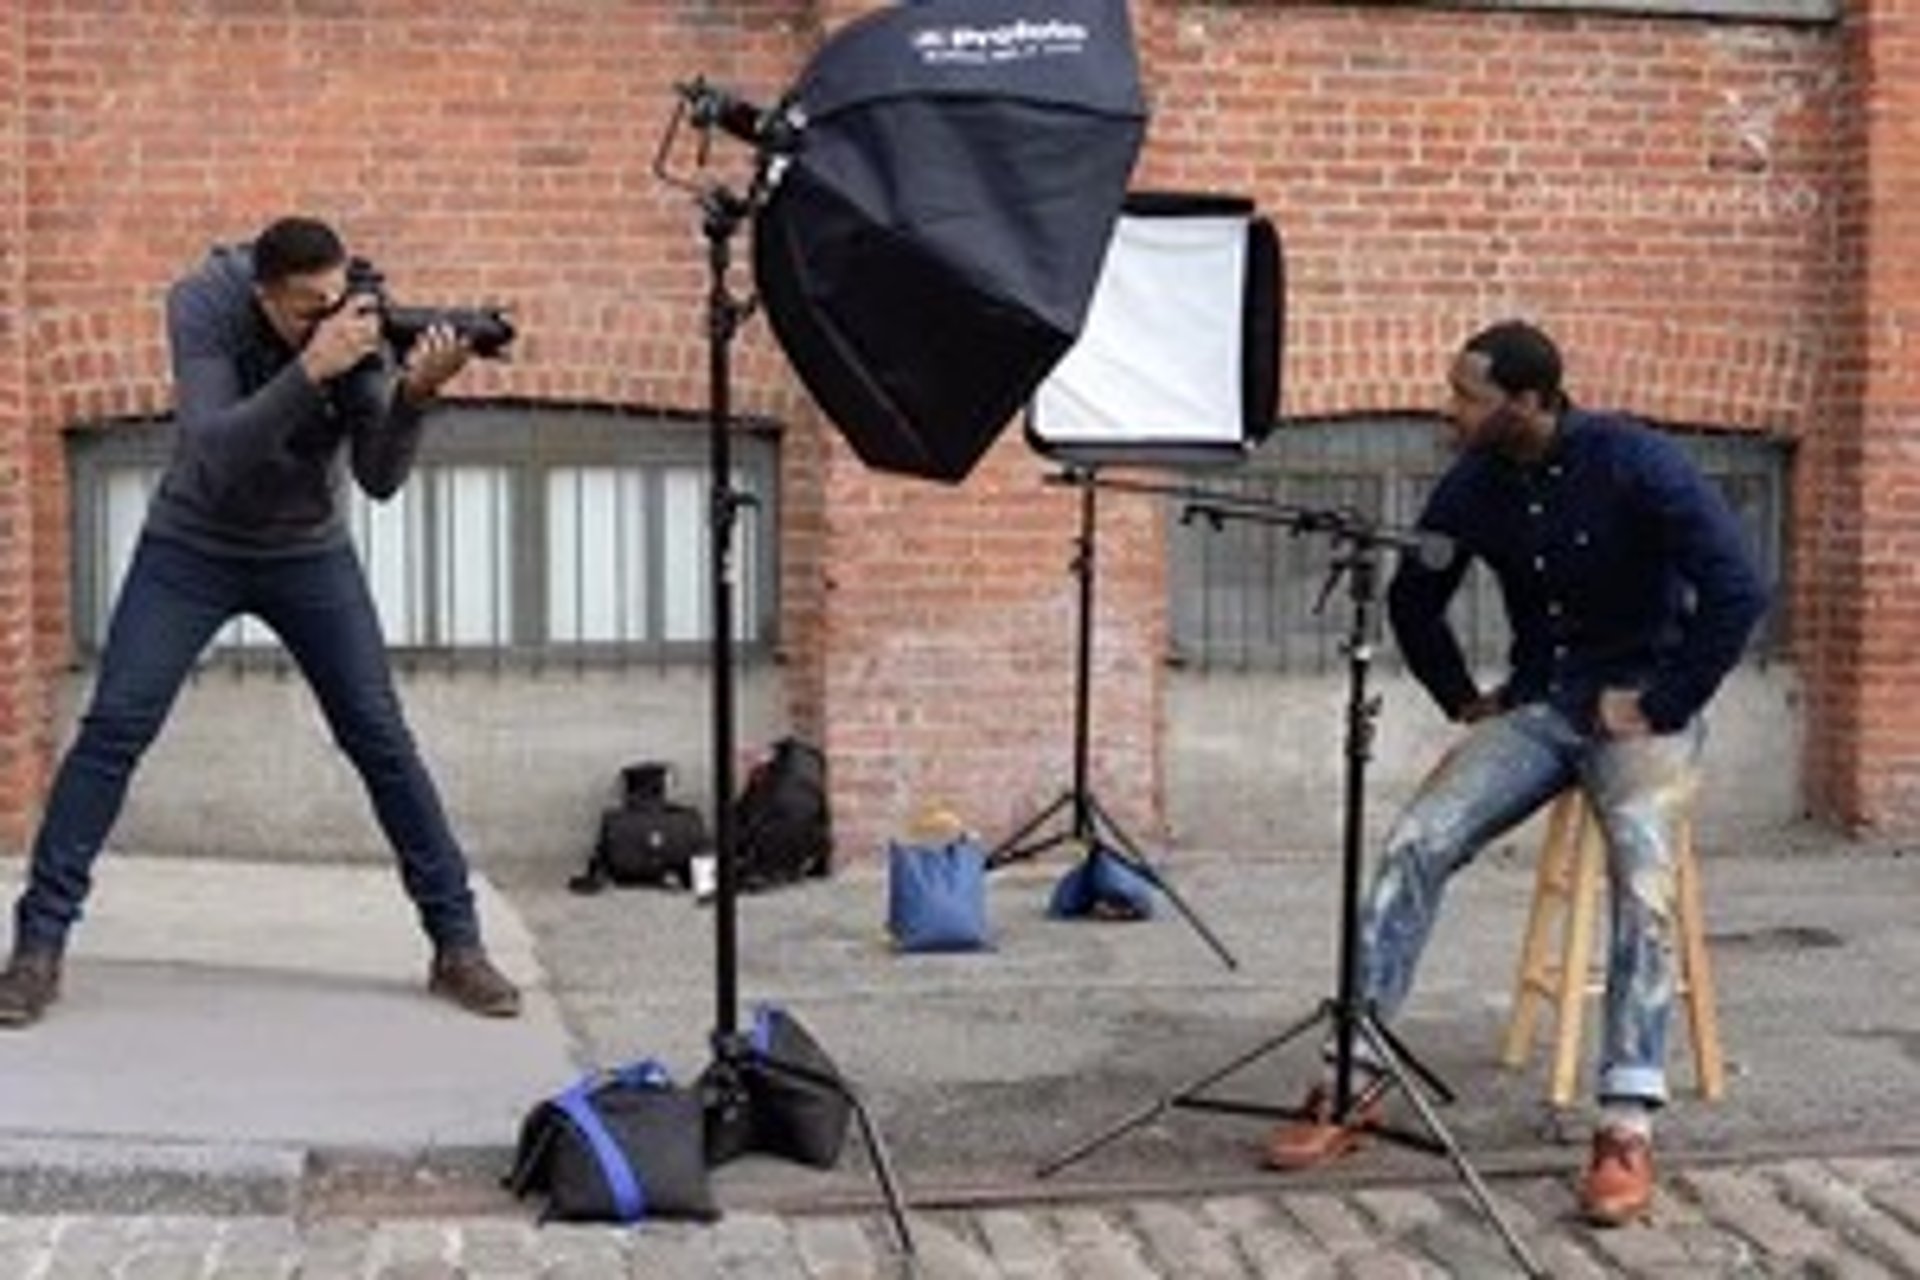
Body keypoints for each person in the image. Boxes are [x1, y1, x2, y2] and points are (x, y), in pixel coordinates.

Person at [1264, 321, 1768, 1226]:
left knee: (1643, 876)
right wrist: (1463, 698)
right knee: (1416, 838)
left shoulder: (1636, 461)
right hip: (1541, 707)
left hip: (1642, 706)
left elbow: (1738, 587)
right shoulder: (1473, 483)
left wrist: (1663, 702)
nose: (1448, 409)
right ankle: (1356, 1074)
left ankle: (1625, 1123)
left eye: (1468, 396)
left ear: (1530, 403)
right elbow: (1417, 598)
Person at [0, 216, 521, 1027]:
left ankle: (457, 944)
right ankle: (37, 949)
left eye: (333, 298)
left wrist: (414, 395)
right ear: (263, 297)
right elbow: (213, 450)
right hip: (192, 545)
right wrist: (312, 367)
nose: (326, 314)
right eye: (305, 306)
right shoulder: (204, 304)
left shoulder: (352, 310)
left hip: (307, 551)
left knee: (380, 737)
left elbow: (379, 478)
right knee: (114, 729)